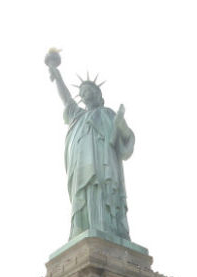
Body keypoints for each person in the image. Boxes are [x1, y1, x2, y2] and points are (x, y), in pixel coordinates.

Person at [45, 49, 135, 242]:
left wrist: (122, 126)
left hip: (104, 166)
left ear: (98, 95)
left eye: (90, 91)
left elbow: (126, 142)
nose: (86, 94)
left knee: (101, 195)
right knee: (84, 199)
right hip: (80, 170)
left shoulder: (108, 114)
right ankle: (83, 233)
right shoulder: (77, 117)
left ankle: (107, 232)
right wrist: (56, 72)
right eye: (83, 92)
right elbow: (66, 98)